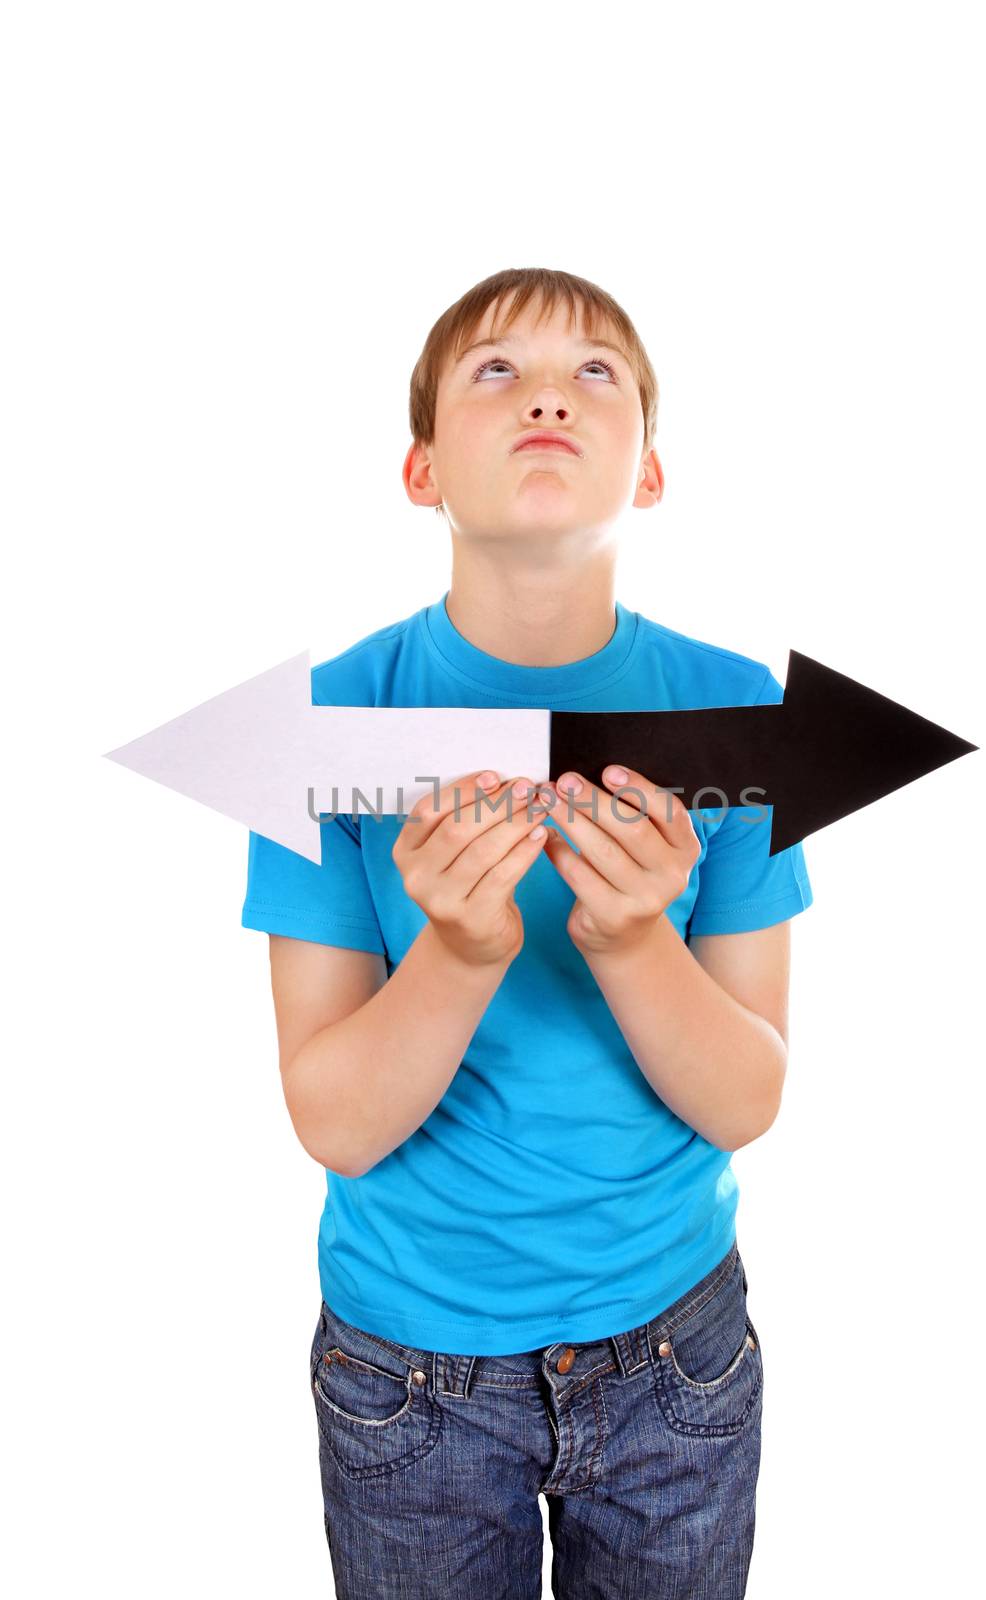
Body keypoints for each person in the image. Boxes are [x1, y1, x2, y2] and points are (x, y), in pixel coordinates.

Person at [241, 265, 813, 1598]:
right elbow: (333, 1118)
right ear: (422, 468)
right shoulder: (322, 725)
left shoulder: (737, 713)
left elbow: (748, 1095)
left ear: (651, 474)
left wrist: (632, 946)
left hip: (678, 1350)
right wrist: (459, 952)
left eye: (594, 373)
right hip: (409, 1369)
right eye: (496, 370)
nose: (549, 391)